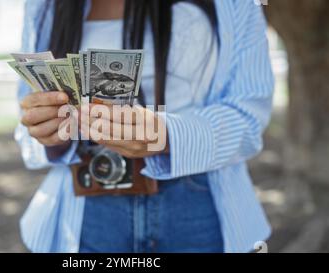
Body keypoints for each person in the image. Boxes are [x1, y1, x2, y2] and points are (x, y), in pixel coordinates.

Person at [17, 0, 274, 253]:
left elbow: (249, 119)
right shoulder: (43, 6)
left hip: (200, 204)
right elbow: (27, 126)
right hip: (84, 209)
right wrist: (49, 132)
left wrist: (167, 135)